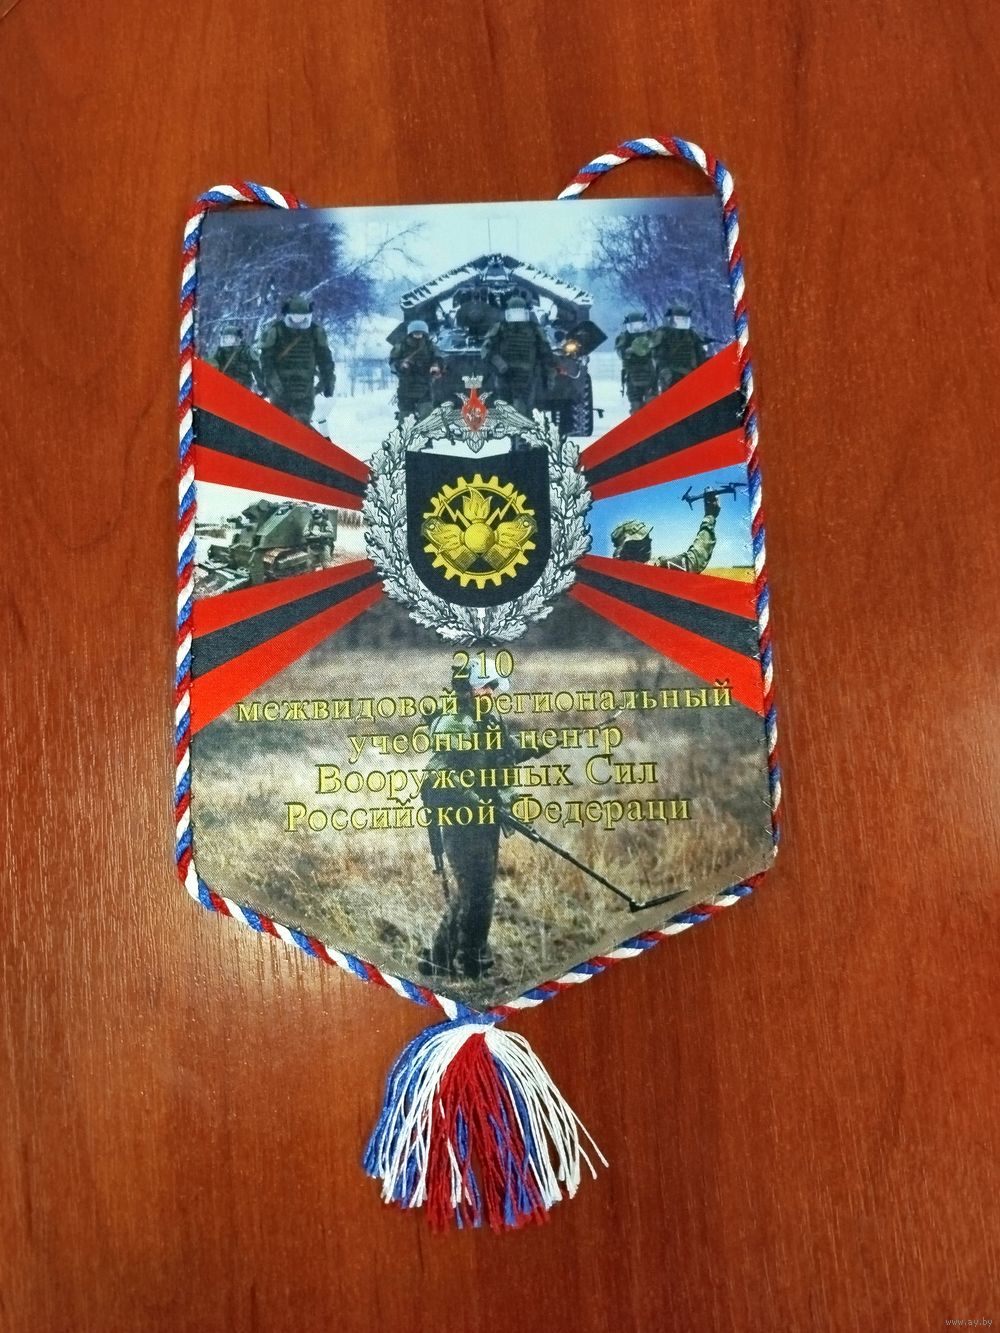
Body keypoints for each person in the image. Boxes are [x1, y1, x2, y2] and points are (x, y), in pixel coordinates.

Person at [418, 656, 552, 981]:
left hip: (484, 822)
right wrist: (477, 802)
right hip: (463, 824)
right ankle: (472, 964)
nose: (491, 692)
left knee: (472, 893)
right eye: (485, 686)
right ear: (467, 688)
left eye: (493, 687)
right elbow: (437, 773)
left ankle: (440, 958)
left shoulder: (485, 719)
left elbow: (505, 750)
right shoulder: (456, 723)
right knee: (479, 896)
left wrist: (542, 744)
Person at [259, 294, 335, 426]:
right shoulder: (275, 331)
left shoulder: (315, 332)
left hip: (305, 386)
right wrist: (274, 385)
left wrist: (328, 383)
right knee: (280, 424)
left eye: (303, 318)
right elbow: (266, 362)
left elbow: (325, 361)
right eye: (295, 317)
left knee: (301, 423)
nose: (299, 322)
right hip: (279, 387)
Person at [610, 490, 721, 572]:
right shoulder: (653, 568)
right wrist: (710, 516)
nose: (649, 541)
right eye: (644, 539)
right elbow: (694, 561)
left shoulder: (615, 571)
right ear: (632, 546)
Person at [482, 297, 554, 418]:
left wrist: (549, 375)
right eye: (514, 313)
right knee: (507, 408)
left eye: (519, 313)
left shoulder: (534, 329)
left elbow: (546, 353)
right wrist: (501, 366)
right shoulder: (500, 327)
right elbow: (486, 351)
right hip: (505, 375)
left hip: (526, 375)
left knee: (524, 408)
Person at [389, 319, 441, 424]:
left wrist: (436, 366)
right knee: (405, 419)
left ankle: (426, 434)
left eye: (420, 333)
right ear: (410, 333)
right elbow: (392, 363)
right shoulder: (401, 346)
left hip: (424, 385)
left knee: (427, 417)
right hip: (406, 386)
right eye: (416, 333)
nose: (418, 336)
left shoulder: (430, 346)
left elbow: (439, 359)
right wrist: (401, 366)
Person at [615, 311, 661, 414]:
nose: (636, 328)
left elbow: (659, 348)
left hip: (650, 373)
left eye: (638, 325)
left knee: (652, 403)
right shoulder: (624, 337)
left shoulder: (650, 335)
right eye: (633, 325)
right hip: (632, 374)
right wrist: (629, 351)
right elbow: (621, 352)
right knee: (636, 406)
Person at [655, 303, 707, 390]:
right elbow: (659, 357)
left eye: (684, 320)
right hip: (672, 377)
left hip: (692, 375)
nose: (682, 323)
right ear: (672, 320)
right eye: (679, 320)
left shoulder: (692, 335)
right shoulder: (664, 335)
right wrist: (664, 371)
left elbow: (700, 354)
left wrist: (704, 369)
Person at [208, 323, 260, 391]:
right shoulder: (219, 352)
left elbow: (257, 371)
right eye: (226, 338)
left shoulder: (245, 352)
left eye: (231, 338)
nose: (228, 340)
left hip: (242, 387)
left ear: (237, 339)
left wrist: (262, 387)